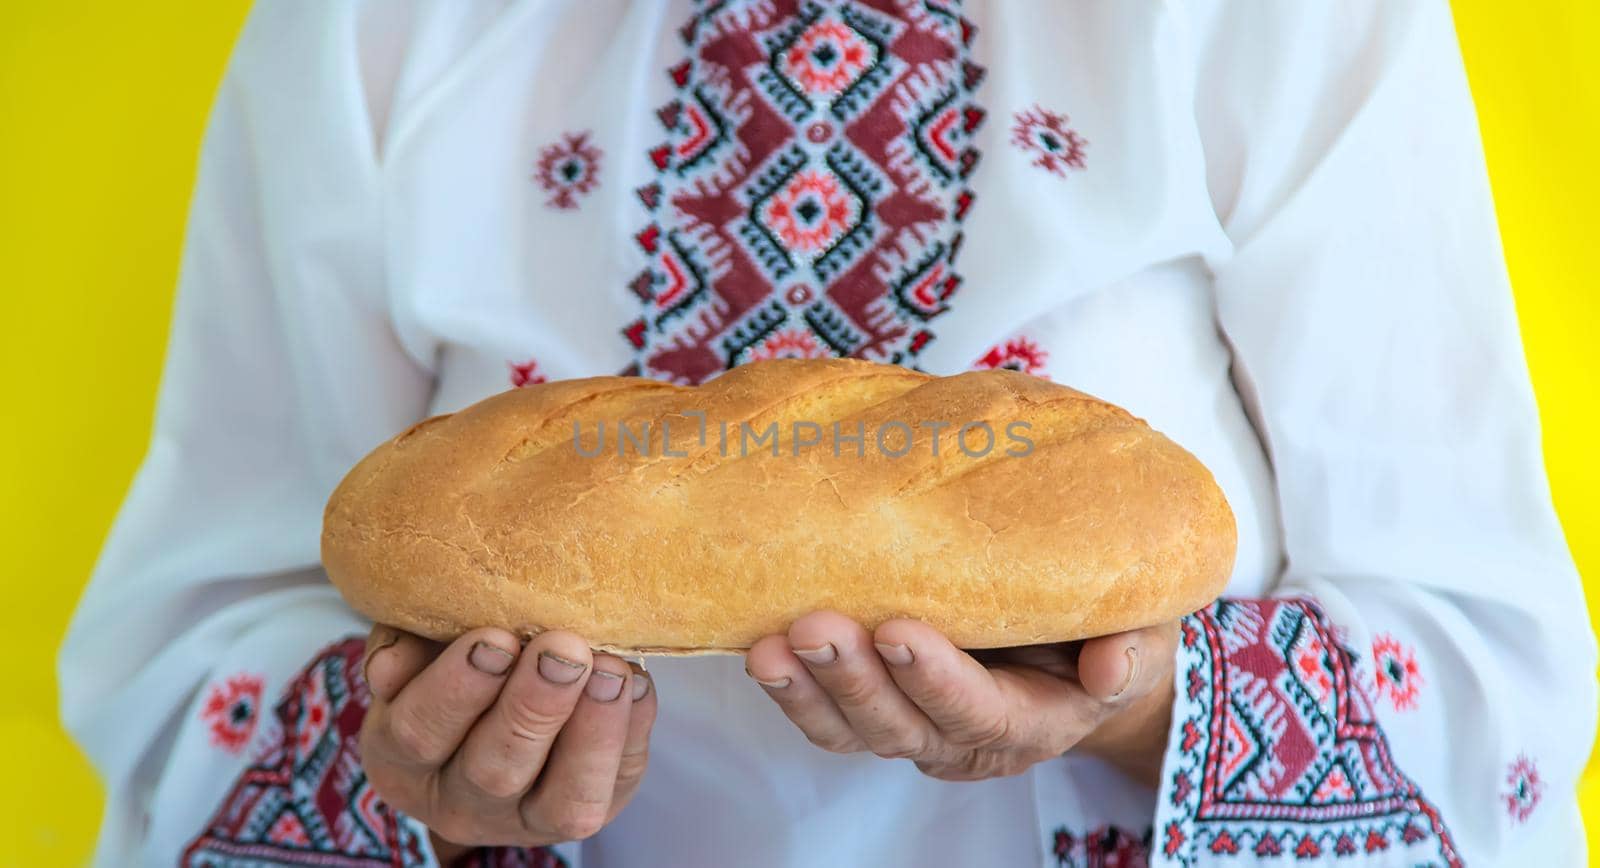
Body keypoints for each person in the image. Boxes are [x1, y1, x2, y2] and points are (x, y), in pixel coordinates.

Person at [60, 1, 1595, 865]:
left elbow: (1489, 682)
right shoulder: (367, 31)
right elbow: (195, 637)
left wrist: (1124, 706)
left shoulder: (1280, 25)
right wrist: (424, 796)